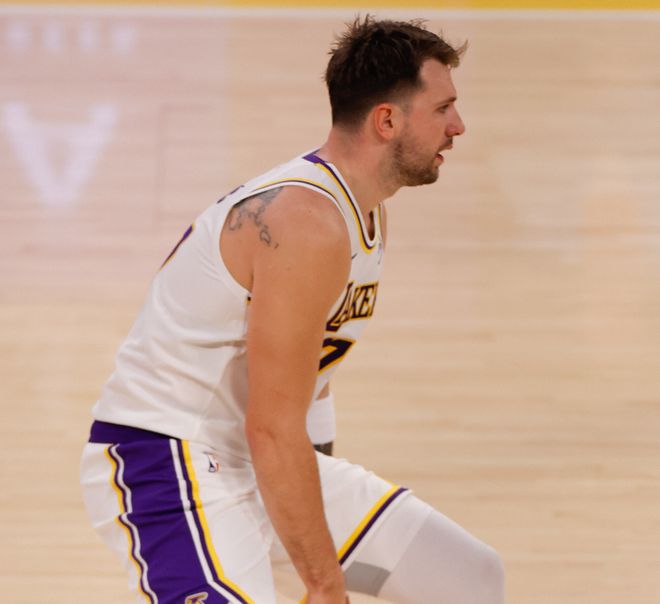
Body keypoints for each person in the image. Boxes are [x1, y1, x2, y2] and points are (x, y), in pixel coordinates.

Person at [80, 15, 505, 604]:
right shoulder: (305, 222)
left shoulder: (365, 211)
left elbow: (308, 388)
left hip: (255, 458)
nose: (458, 126)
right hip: (167, 461)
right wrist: (324, 583)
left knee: (470, 578)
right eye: (443, 108)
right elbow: (272, 427)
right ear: (387, 120)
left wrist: (307, 520)